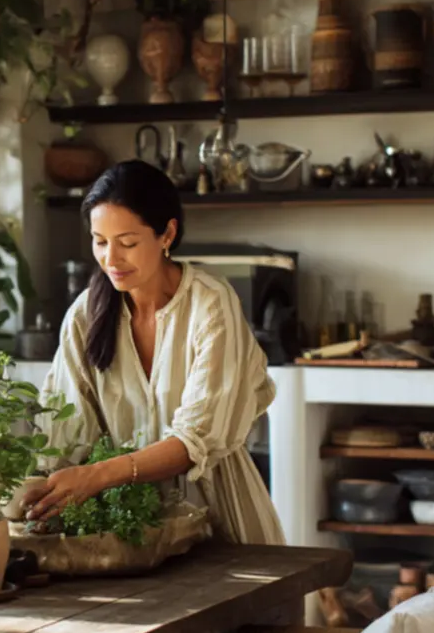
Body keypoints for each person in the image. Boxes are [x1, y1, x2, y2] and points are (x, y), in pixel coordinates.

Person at [21, 159, 285, 545]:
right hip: (128, 532)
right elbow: (63, 435)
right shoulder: (85, 314)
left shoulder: (210, 304)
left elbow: (197, 439)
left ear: (167, 234)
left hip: (220, 525)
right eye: (100, 241)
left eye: (127, 243)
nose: (111, 259)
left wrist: (95, 476)